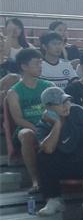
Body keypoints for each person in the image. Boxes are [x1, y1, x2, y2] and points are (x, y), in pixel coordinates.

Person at [36, 87, 83, 216]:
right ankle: (54, 200)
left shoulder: (77, 110)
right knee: (43, 155)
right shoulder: (43, 124)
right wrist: (57, 124)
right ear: (48, 107)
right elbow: (48, 149)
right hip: (64, 165)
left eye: (67, 101)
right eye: (60, 103)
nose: (66, 106)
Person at [7, 49, 54, 193]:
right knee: (26, 134)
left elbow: (58, 110)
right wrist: (37, 129)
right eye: (36, 63)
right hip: (27, 127)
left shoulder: (48, 86)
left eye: (41, 63)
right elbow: (18, 119)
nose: (40, 66)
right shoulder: (14, 91)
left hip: (49, 125)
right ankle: (35, 179)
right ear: (24, 66)